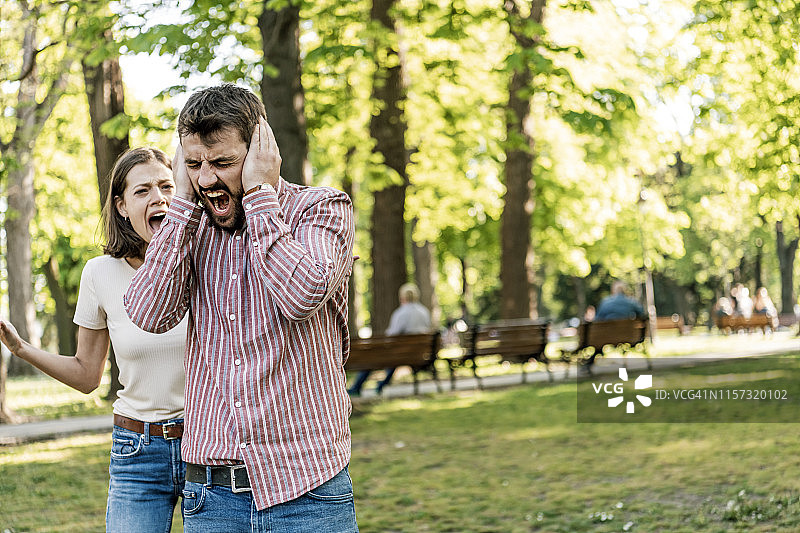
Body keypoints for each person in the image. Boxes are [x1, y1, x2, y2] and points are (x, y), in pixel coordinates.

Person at [123, 84, 358, 532]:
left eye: (223, 163)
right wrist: (180, 207)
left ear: (259, 153)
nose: (208, 179)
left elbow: (302, 294)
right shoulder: (189, 228)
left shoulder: (321, 209)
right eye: (193, 165)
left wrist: (259, 196)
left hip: (308, 493)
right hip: (212, 500)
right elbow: (148, 313)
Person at [0, 147, 187, 532]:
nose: (159, 197)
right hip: (138, 449)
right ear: (121, 206)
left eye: (167, 185)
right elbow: (87, 375)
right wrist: (21, 349)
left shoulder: (205, 259)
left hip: (206, 443)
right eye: (143, 190)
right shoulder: (100, 273)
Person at [347, 283, 432, 396]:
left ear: (402, 297)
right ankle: (380, 386)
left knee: (373, 358)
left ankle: (357, 387)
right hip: (419, 353)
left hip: (400, 354)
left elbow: (391, 335)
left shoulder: (401, 313)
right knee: (393, 358)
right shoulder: (424, 312)